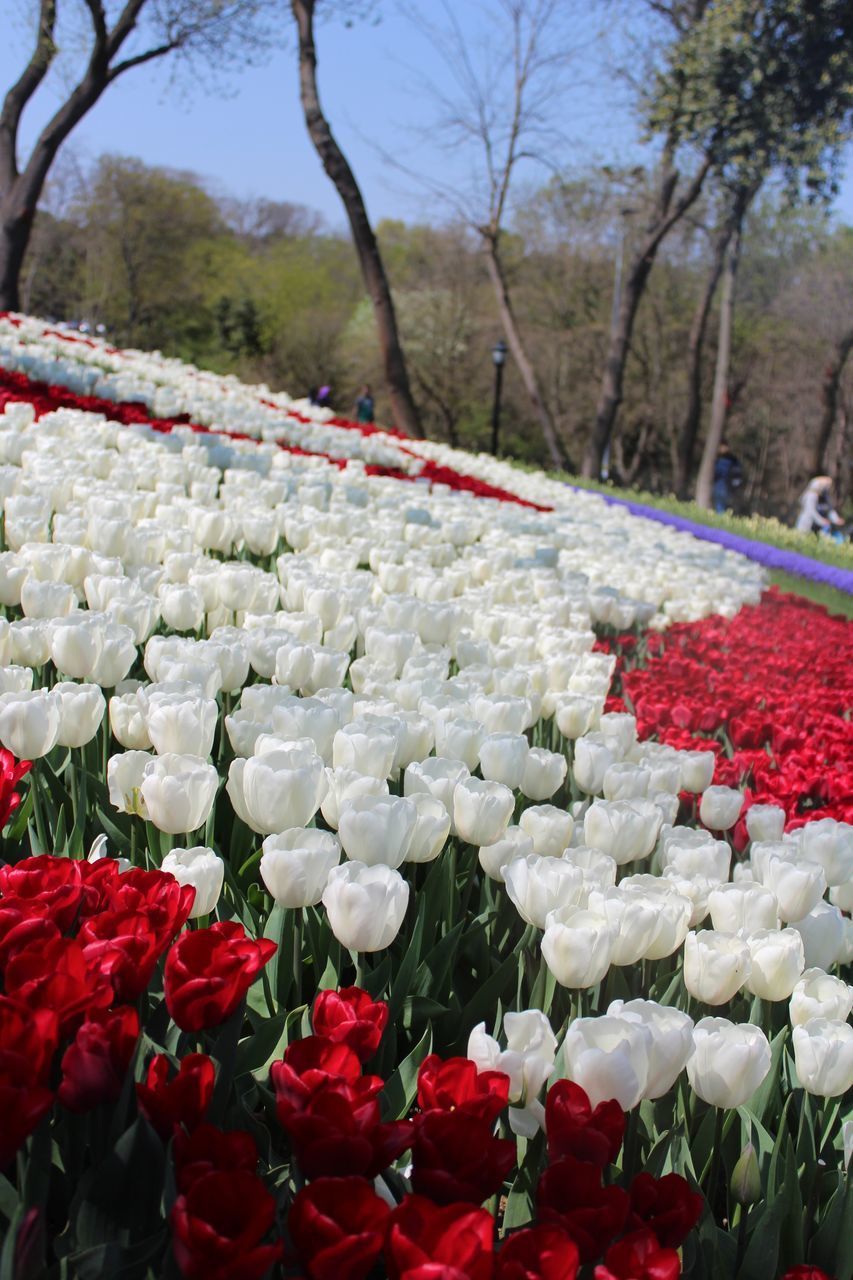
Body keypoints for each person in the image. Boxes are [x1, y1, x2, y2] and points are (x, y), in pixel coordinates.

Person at [712, 443, 744, 513]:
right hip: (730, 487)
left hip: (721, 485)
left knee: (720, 506)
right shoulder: (734, 461)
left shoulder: (721, 460)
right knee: (725, 506)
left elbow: (717, 472)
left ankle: (720, 520)